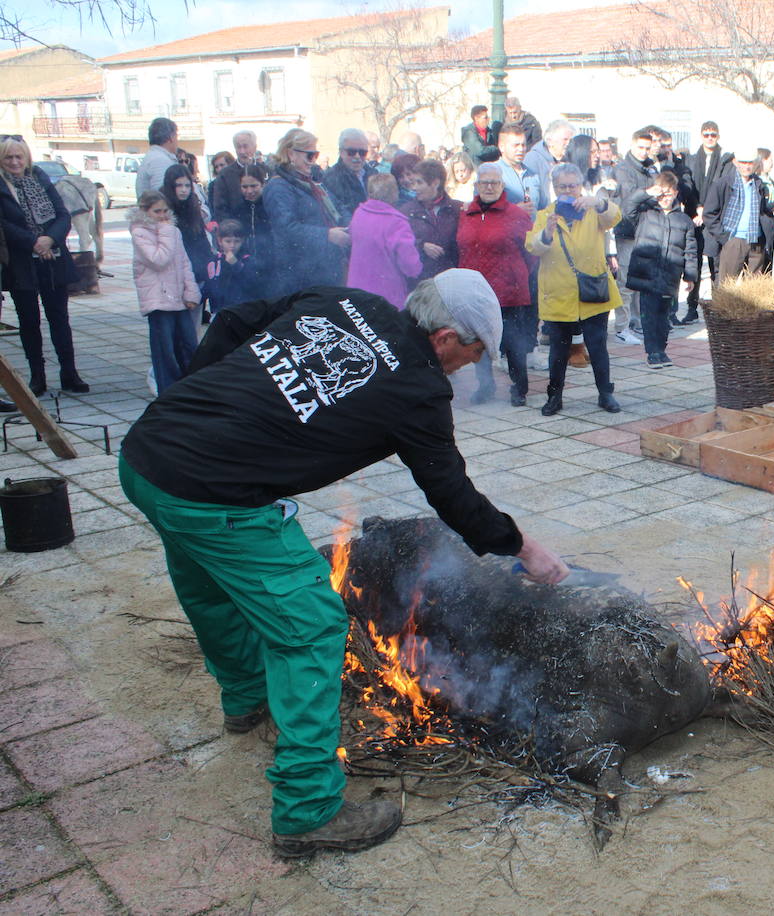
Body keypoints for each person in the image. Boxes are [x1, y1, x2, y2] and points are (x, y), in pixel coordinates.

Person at [118, 269, 570, 858]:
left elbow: (230, 320)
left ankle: (247, 696)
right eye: (475, 351)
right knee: (312, 628)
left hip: (148, 453)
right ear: (444, 338)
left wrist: (200, 406)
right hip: (215, 497)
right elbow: (451, 492)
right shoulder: (419, 388)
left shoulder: (338, 300)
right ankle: (307, 811)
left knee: (206, 585)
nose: (471, 365)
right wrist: (523, 547)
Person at [526, 163, 622, 416]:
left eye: (573, 185)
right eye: (562, 186)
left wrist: (598, 202)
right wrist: (546, 234)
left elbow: (615, 217)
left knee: (598, 346)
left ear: (581, 186)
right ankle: (554, 396)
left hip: (593, 291)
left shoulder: (592, 209)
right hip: (558, 293)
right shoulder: (545, 214)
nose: (569, 190)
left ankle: (606, 393)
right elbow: (533, 246)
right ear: (554, 188)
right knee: (558, 351)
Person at [0, 137, 87, 394]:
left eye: (19, 156)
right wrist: (34, 242)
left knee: (59, 318)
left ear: (27, 157)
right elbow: (4, 224)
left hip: (52, 258)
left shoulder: (39, 177)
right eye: (8, 158)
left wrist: (49, 239)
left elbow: (62, 214)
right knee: (29, 321)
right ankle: (37, 376)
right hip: (21, 262)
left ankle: (69, 373)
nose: (15, 162)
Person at [461, 163, 535, 406]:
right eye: (484, 183)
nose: (489, 187)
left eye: (495, 182)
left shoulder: (516, 215)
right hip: (475, 293)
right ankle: (486, 386)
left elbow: (531, 253)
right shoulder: (466, 214)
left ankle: (519, 388)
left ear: (502, 185)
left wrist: (515, 275)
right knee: (478, 344)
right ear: (477, 186)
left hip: (508, 291)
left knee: (513, 343)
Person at [262, 128, 349, 297]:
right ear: (291, 154)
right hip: (299, 274)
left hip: (321, 268)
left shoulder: (310, 182)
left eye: (315, 155)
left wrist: (352, 223)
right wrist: (327, 235)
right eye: (309, 155)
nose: (313, 161)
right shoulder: (278, 187)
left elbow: (337, 206)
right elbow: (286, 228)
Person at [624, 171, 697, 368]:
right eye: (661, 194)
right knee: (649, 315)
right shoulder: (645, 214)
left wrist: (690, 276)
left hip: (669, 276)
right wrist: (647, 192)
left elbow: (690, 251)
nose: (665, 198)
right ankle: (652, 352)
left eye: (669, 193)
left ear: (676, 193)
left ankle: (662, 350)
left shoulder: (683, 220)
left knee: (664, 317)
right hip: (647, 273)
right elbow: (629, 205)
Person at [130, 190, 199, 393]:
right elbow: (159, 259)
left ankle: (190, 388)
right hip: (158, 300)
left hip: (178, 298)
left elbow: (184, 263)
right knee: (165, 350)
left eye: (165, 211)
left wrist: (191, 292)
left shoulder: (172, 231)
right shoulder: (140, 233)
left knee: (189, 345)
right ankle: (167, 390)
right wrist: (165, 231)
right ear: (145, 211)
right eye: (156, 211)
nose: (162, 216)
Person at [611, 128, 661, 342]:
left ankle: (636, 322)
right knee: (625, 281)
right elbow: (631, 198)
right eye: (640, 147)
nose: (644, 152)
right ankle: (621, 328)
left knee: (641, 282)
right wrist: (650, 195)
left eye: (647, 148)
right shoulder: (623, 168)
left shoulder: (650, 168)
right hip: (627, 230)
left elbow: (661, 192)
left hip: (646, 230)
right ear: (631, 145)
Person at [346, 173, 422, 308]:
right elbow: (410, 265)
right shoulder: (397, 223)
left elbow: (352, 238)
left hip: (356, 289)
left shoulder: (359, 213)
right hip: (386, 295)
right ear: (394, 193)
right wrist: (418, 269)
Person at [685, 121, 731, 321]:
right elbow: (688, 185)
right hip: (693, 216)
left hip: (714, 217)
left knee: (716, 265)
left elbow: (720, 186)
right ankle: (691, 308)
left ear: (718, 136)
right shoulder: (692, 159)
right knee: (693, 264)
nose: (710, 138)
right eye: (706, 134)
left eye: (713, 134)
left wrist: (707, 211)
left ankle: (718, 307)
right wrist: (696, 208)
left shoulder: (725, 159)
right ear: (701, 136)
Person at [703, 156, 771, 279]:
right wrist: (723, 236)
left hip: (756, 240)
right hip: (733, 239)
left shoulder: (759, 184)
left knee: (753, 289)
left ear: (756, 163)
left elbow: (764, 211)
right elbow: (709, 214)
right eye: (743, 162)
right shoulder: (723, 183)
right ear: (735, 162)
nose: (746, 166)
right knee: (728, 287)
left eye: (750, 162)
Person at [401, 158, 460, 282]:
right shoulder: (405, 212)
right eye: (413, 183)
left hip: (449, 280)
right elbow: (399, 244)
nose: (414, 188)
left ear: (435, 183)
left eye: (419, 182)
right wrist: (421, 246)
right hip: (419, 282)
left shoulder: (456, 210)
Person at [160, 164, 214, 295]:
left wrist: (208, 263)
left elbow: (201, 238)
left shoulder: (192, 206)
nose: (184, 190)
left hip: (196, 268)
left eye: (187, 185)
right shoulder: (163, 209)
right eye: (179, 185)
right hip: (173, 271)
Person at [203, 219, 261, 318]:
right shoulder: (214, 261)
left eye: (236, 241)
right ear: (220, 241)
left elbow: (251, 283)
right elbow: (209, 284)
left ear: (242, 241)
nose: (232, 245)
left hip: (241, 309)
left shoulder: (247, 260)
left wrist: (236, 264)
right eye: (228, 241)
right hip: (219, 309)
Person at [321, 128, 377, 225]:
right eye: (351, 152)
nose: (357, 156)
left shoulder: (374, 174)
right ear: (341, 152)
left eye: (362, 152)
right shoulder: (331, 178)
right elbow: (338, 214)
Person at [230, 163, 272, 273]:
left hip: (271, 266)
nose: (249, 191)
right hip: (245, 267)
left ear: (262, 184)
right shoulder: (237, 209)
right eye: (244, 187)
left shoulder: (270, 206)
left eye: (254, 186)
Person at [211, 130, 262, 220]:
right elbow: (220, 208)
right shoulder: (225, 175)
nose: (242, 151)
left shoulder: (265, 171)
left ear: (255, 147)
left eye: (245, 146)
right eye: (238, 147)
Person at [496, 125, 545, 216]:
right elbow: (482, 213)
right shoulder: (491, 174)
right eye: (516, 145)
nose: (521, 149)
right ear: (502, 147)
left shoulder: (533, 176)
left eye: (523, 145)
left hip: (533, 229)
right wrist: (512, 210)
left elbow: (543, 209)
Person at [525, 119, 575, 197]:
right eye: (565, 139)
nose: (568, 143)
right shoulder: (533, 159)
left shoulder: (570, 159)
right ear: (550, 141)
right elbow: (528, 189)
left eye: (570, 140)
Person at [136, 117, 179, 197]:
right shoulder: (160, 160)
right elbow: (161, 197)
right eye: (176, 136)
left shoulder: (154, 156)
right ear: (171, 137)